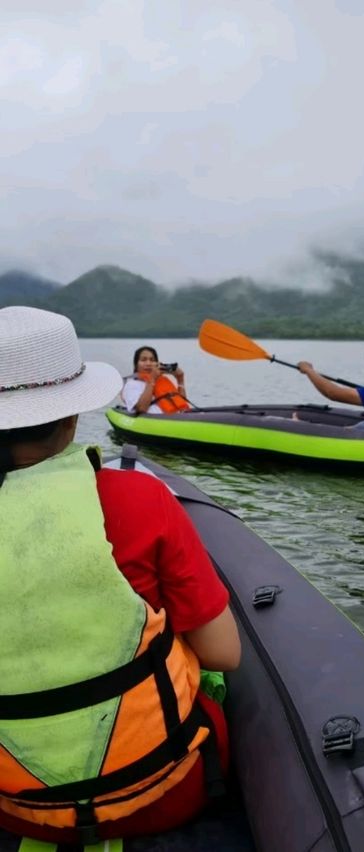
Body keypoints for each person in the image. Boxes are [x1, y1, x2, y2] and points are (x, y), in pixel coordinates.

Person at [0, 307, 241, 845]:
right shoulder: (139, 498)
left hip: (13, 806)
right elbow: (224, 654)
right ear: (72, 416)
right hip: (155, 793)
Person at [122, 346, 190, 414]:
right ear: (136, 365)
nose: (148, 363)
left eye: (152, 360)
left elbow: (183, 408)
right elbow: (141, 409)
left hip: (175, 419)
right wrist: (151, 380)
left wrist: (180, 380)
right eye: (143, 360)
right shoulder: (131, 384)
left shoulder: (163, 381)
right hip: (152, 421)